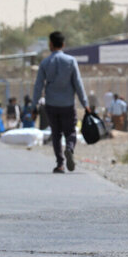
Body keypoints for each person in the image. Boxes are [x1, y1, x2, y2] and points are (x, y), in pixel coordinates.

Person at [33, 31, 90, 173]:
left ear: (50, 44)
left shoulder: (45, 63)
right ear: (63, 44)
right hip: (68, 104)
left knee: (56, 134)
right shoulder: (70, 61)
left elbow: (38, 85)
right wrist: (85, 104)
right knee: (70, 132)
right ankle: (69, 148)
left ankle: (60, 164)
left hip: (51, 104)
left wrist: (34, 104)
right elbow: (78, 83)